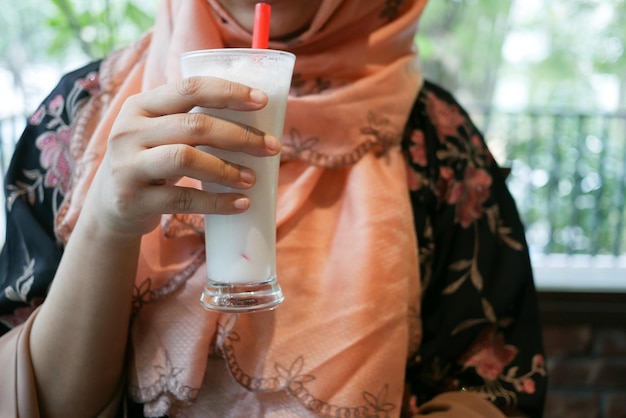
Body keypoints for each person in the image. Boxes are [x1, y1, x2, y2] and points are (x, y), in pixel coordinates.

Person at [0, 0, 547, 417]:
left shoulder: (440, 144)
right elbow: (36, 399)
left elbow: (492, 384)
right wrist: (106, 226)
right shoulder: (83, 113)